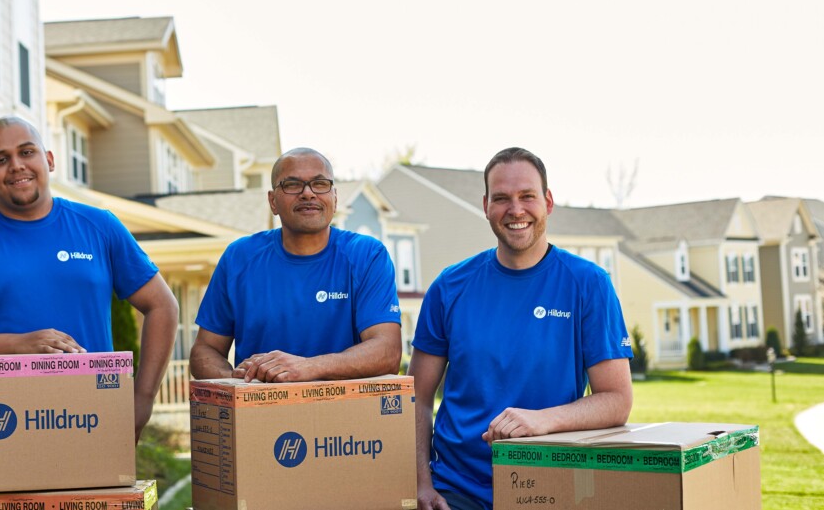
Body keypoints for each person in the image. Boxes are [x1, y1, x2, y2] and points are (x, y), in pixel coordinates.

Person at [0, 116, 178, 441]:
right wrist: (20, 344)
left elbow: (162, 307)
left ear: (50, 160)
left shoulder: (99, 227)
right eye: (1, 160)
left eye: (27, 152)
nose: (16, 166)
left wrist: (142, 398)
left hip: (93, 420)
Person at [410, 147, 633, 510]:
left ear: (547, 201)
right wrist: (421, 484)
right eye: (501, 198)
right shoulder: (450, 286)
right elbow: (416, 398)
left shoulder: (589, 284)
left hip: (549, 485)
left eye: (527, 196)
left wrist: (541, 421)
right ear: (485, 206)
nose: (516, 210)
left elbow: (617, 400)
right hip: (455, 492)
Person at [189, 147, 402, 383]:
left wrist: (308, 368)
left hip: (345, 415)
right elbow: (204, 351)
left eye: (320, 184)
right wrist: (237, 381)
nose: (308, 193)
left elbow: (388, 352)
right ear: (273, 201)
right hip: (260, 414)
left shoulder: (366, 255)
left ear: (334, 197)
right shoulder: (239, 258)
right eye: (292, 184)